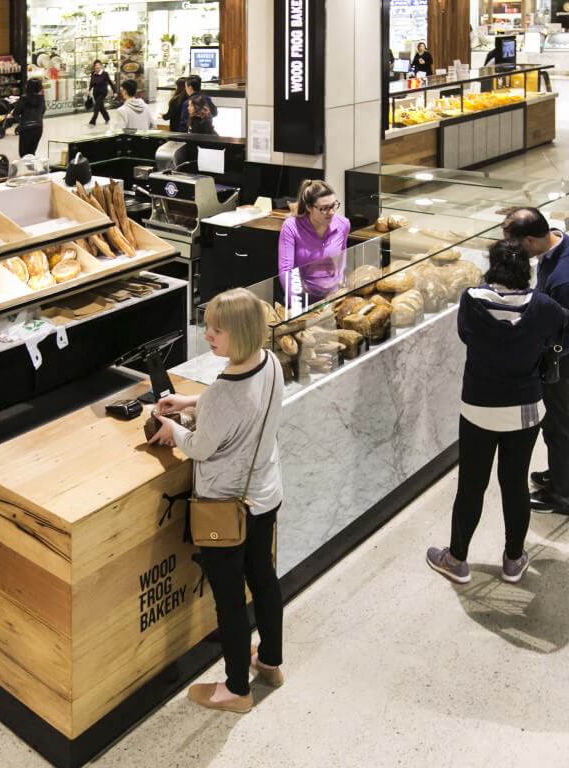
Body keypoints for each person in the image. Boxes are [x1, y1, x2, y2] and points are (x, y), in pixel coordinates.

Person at [147, 288, 285, 714]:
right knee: (263, 579)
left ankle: (236, 690)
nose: (206, 335)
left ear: (239, 333)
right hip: (265, 495)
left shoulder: (226, 390)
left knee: (229, 599)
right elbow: (235, 408)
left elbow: (202, 447)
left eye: (216, 331)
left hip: (227, 507)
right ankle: (271, 663)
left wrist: (174, 432)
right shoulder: (270, 361)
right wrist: (190, 401)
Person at [426, 239, 569, 585]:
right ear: (526, 269)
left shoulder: (472, 300)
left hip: (479, 407)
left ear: (491, 266)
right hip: (525, 410)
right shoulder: (542, 306)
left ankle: (456, 559)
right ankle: (513, 559)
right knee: (514, 485)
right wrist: (549, 348)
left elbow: (466, 335)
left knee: (471, 485)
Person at [500, 206, 569, 516]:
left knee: (556, 423)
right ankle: (564, 476)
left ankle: (563, 495)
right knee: (560, 417)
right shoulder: (559, 243)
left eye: (511, 243)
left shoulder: (565, 279)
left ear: (528, 241)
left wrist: (543, 357)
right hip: (559, 354)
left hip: (559, 360)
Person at [277, 179, 351, 308]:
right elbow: (286, 269)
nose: (332, 212)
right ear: (309, 207)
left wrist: (339, 288)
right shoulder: (291, 226)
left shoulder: (343, 224)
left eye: (334, 205)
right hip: (301, 297)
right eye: (324, 208)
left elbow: (341, 258)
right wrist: (294, 303)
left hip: (331, 298)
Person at [9, 78, 46, 157]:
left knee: (23, 153)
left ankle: (26, 168)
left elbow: (16, 114)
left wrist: (20, 121)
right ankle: (32, 167)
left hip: (26, 128)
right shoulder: (41, 98)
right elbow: (43, 111)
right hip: (38, 127)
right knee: (32, 152)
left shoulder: (24, 98)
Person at [87, 60, 117, 127]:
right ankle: (107, 118)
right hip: (95, 93)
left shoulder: (105, 74)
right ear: (94, 67)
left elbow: (111, 83)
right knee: (101, 107)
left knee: (96, 106)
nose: (97, 67)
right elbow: (91, 83)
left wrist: (115, 92)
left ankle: (93, 121)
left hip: (103, 92)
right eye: (96, 66)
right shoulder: (93, 73)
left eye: (98, 66)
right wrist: (89, 90)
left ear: (101, 66)